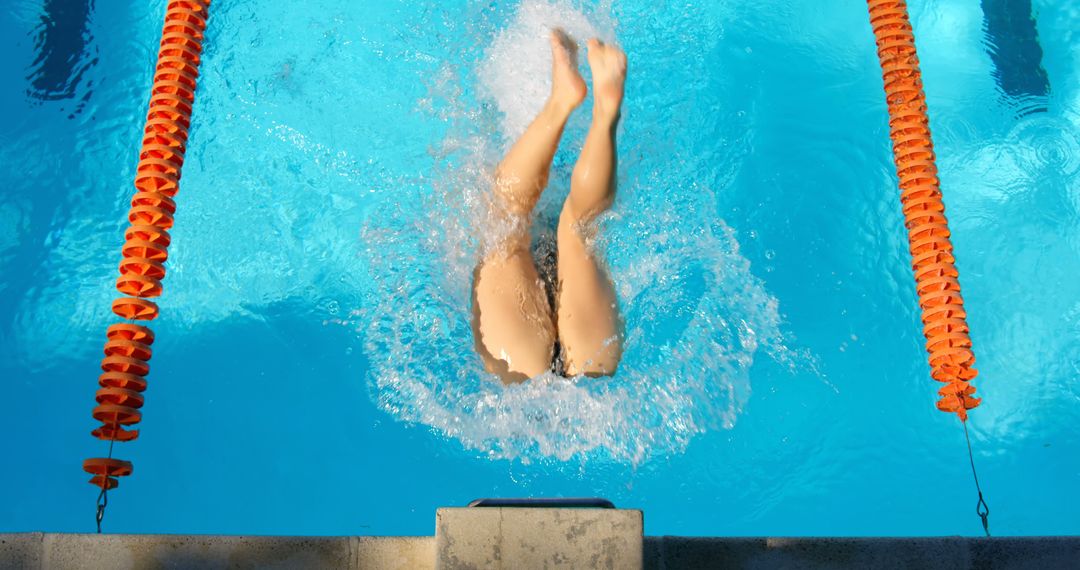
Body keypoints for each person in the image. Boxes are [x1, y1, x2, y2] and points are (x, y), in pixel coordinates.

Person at [471, 29, 626, 383]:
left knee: (577, 229)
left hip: (586, 367)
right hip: (525, 360)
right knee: (506, 219)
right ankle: (563, 101)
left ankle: (605, 115)